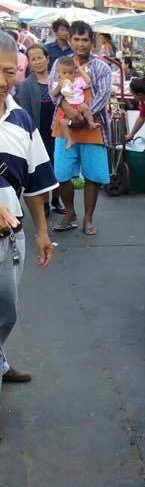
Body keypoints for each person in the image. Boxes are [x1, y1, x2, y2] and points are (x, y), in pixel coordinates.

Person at [0, 32, 56, 392]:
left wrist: (42, 232)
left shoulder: (22, 121)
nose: (1, 81)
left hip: (9, 240)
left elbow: (35, 183)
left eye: (8, 71)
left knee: (7, 311)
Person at [49, 21, 112, 236]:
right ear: (70, 40)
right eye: (76, 39)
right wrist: (69, 111)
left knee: (93, 176)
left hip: (92, 127)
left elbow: (103, 95)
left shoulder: (101, 67)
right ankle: (70, 213)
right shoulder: (60, 63)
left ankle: (88, 218)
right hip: (65, 127)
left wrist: (83, 117)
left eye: (85, 39)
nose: (80, 44)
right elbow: (53, 91)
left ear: (92, 41)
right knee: (61, 173)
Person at [15, 43, 65, 215]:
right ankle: (44, 204)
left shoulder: (58, 80)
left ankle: (56, 200)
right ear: (28, 62)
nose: (37, 61)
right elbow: (25, 113)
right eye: (33, 59)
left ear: (47, 58)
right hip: (39, 131)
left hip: (59, 129)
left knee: (58, 165)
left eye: (40, 57)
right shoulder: (26, 86)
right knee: (42, 168)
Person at [51, 56, 99, 148]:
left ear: (74, 72)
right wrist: (59, 87)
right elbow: (53, 94)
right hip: (68, 110)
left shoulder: (78, 81)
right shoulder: (58, 83)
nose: (67, 75)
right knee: (63, 122)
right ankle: (69, 139)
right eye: (64, 73)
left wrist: (80, 69)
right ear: (58, 73)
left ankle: (90, 122)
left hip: (79, 106)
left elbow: (88, 81)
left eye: (71, 73)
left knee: (85, 107)